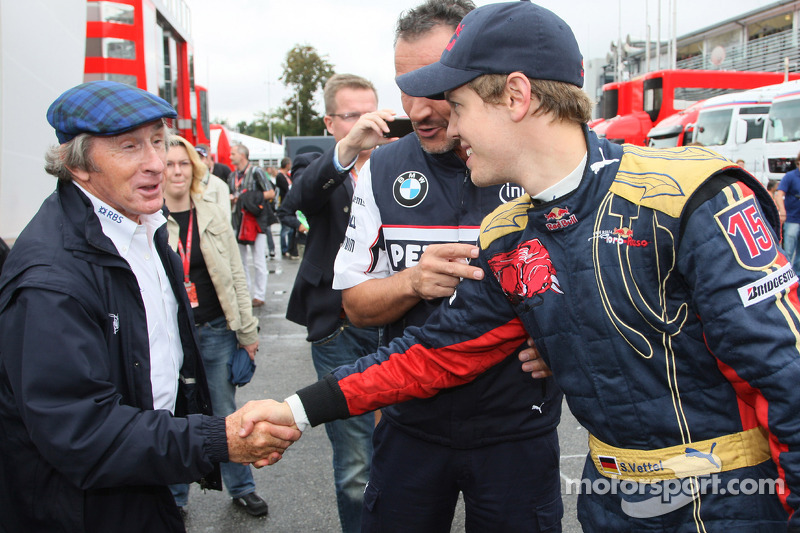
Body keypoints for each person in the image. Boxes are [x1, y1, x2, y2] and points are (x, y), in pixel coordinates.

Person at [244, 2, 800, 530]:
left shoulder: (689, 197)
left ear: (515, 96)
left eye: (457, 106)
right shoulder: (510, 234)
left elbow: (786, 377)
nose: (448, 127)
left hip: (729, 508)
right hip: (609, 503)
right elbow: (435, 353)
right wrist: (296, 410)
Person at [0, 80, 300, 532]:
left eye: (158, 141)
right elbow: (82, 433)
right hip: (81, 507)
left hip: (143, 475)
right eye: (129, 147)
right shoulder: (52, 279)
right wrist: (217, 439)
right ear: (78, 165)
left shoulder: (141, 225)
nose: (156, 163)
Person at [329, 2, 563, 531]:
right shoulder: (383, 167)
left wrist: (563, 341)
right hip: (411, 425)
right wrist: (411, 282)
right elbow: (354, 307)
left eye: (434, 86)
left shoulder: (539, 163)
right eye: (405, 87)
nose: (417, 109)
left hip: (517, 433)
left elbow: (604, 284)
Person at [277, 73, 400, 533]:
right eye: (352, 115)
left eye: (373, 110)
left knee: (401, 444)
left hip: (394, 320)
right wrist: (349, 148)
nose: (367, 121)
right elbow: (298, 199)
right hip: (339, 328)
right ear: (331, 122)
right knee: (355, 462)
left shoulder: (400, 162)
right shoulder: (325, 163)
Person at [163, 136, 269, 517]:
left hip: (214, 329)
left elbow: (236, 276)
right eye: (169, 163)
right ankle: (174, 499)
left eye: (183, 163)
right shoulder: (147, 217)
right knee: (171, 415)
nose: (176, 170)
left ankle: (241, 487)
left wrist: (247, 332)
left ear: (194, 169)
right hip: (168, 336)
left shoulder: (209, 212)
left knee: (224, 412)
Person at [229, 143, 276, 307]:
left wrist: (249, 197)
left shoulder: (256, 172)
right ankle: (244, 294)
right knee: (240, 262)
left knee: (258, 260)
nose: (230, 156)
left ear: (242, 155)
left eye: (233, 153)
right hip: (238, 221)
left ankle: (259, 295)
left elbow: (270, 192)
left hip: (255, 221)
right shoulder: (231, 176)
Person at [776, 151, 800, 273]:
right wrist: (783, 211)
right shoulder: (790, 176)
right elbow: (779, 194)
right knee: (788, 252)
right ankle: (787, 275)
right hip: (792, 219)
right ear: (798, 163)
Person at [194, 143, 231, 220]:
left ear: (208, 160)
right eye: (195, 157)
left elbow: (225, 217)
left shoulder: (219, 185)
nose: (197, 161)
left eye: (201, 157)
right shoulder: (186, 183)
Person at [275, 157, 298, 258]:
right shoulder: (280, 176)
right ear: (287, 165)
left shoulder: (287, 176)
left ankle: (289, 248)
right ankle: (284, 249)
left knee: (290, 230)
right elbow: (286, 188)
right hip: (283, 203)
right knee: (285, 229)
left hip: (290, 204)